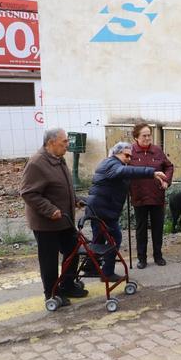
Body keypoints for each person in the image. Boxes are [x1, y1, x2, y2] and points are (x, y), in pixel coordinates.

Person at [21, 128, 88, 305]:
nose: (67, 145)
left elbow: (63, 187)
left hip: (64, 220)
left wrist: (75, 200)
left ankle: (67, 284)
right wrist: (50, 209)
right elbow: (28, 193)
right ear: (51, 143)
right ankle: (51, 294)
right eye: (64, 142)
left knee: (73, 251)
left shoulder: (58, 159)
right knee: (49, 260)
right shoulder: (37, 163)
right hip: (46, 223)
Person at [86, 142, 167, 282]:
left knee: (98, 239)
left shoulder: (113, 164)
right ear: (116, 153)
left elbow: (124, 176)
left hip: (100, 209)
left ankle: (91, 267)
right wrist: (151, 172)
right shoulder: (112, 164)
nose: (129, 158)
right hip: (102, 210)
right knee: (114, 238)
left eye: (131, 156)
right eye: (126, 155)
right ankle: (107, 272)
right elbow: (125, 172)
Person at [129, 123, 174, 269]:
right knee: (141, 229)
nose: (148, 138)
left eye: (149, 135)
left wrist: (166, 180)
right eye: (144, 135)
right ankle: (142, 258)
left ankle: (158, 255)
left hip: (156, 195)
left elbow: (169, 166)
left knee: (157, 227)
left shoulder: (157, 150)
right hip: (139, 195)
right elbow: (123, 170)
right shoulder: (130, 152)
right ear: (136, 137)